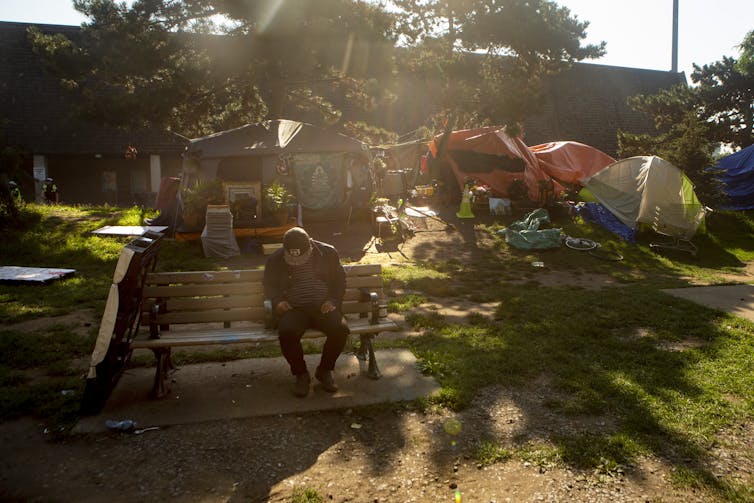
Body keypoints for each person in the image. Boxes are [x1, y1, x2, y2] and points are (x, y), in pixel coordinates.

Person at [263, 227, 350, 397]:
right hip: (295, 309)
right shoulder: (276, 259)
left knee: (340, 330)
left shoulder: (328, 252)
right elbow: (269, 285)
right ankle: (301, 374)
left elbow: (340, 280)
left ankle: (325, 370)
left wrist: (333, 300)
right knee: (287, 332)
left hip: (323, 307)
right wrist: (277, 301)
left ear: (310, 244)